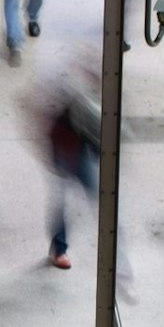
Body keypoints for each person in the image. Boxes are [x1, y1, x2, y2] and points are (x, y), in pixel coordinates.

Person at [44, 77, 100, 271]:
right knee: (64, 200)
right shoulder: (69, 92)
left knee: (99, 196)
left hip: (80, 145)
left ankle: (60, 248)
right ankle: (59, 248)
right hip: (67, 147)